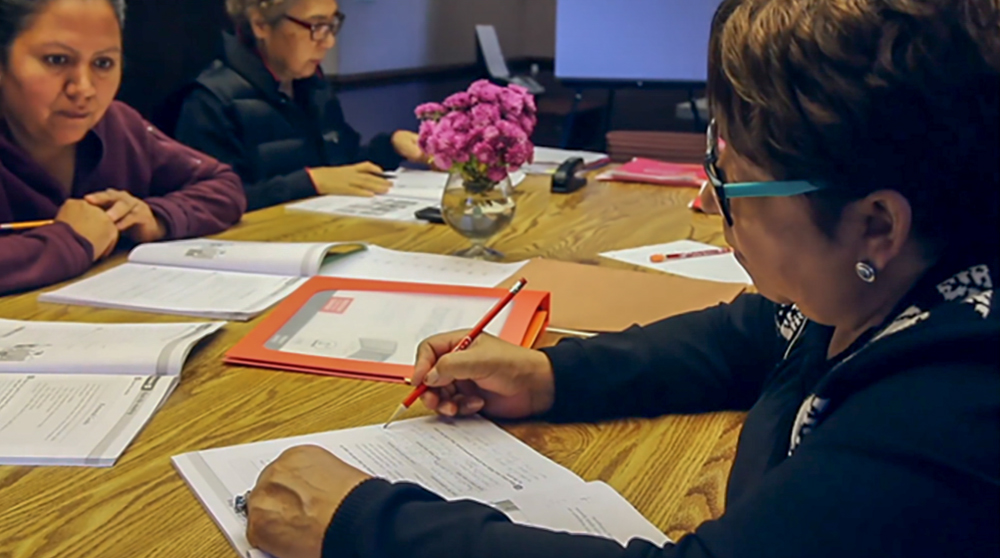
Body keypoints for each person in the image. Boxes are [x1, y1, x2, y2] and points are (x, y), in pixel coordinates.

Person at [243, 0, 1000, 557]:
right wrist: (547, 375)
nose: (709, 200)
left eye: (733, 182)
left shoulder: (950, 407)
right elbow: (750, 333)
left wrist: (363, 528)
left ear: (876, 224)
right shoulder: (888, 280)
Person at [0, 0, 246, 296]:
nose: (84, 89)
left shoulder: (118, 124)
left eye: (103, 63)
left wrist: (157, 217)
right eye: (56, 60)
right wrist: (70, 241)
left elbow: (223, 184)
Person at [174, 0, 427, 212]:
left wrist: (391, 146)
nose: (328, 42)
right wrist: (309, 182)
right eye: (316, 26)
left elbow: (341, 166)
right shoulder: (209, 101)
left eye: (332, 25)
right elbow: (209, 202)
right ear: (261, 24)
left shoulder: (311, 85)